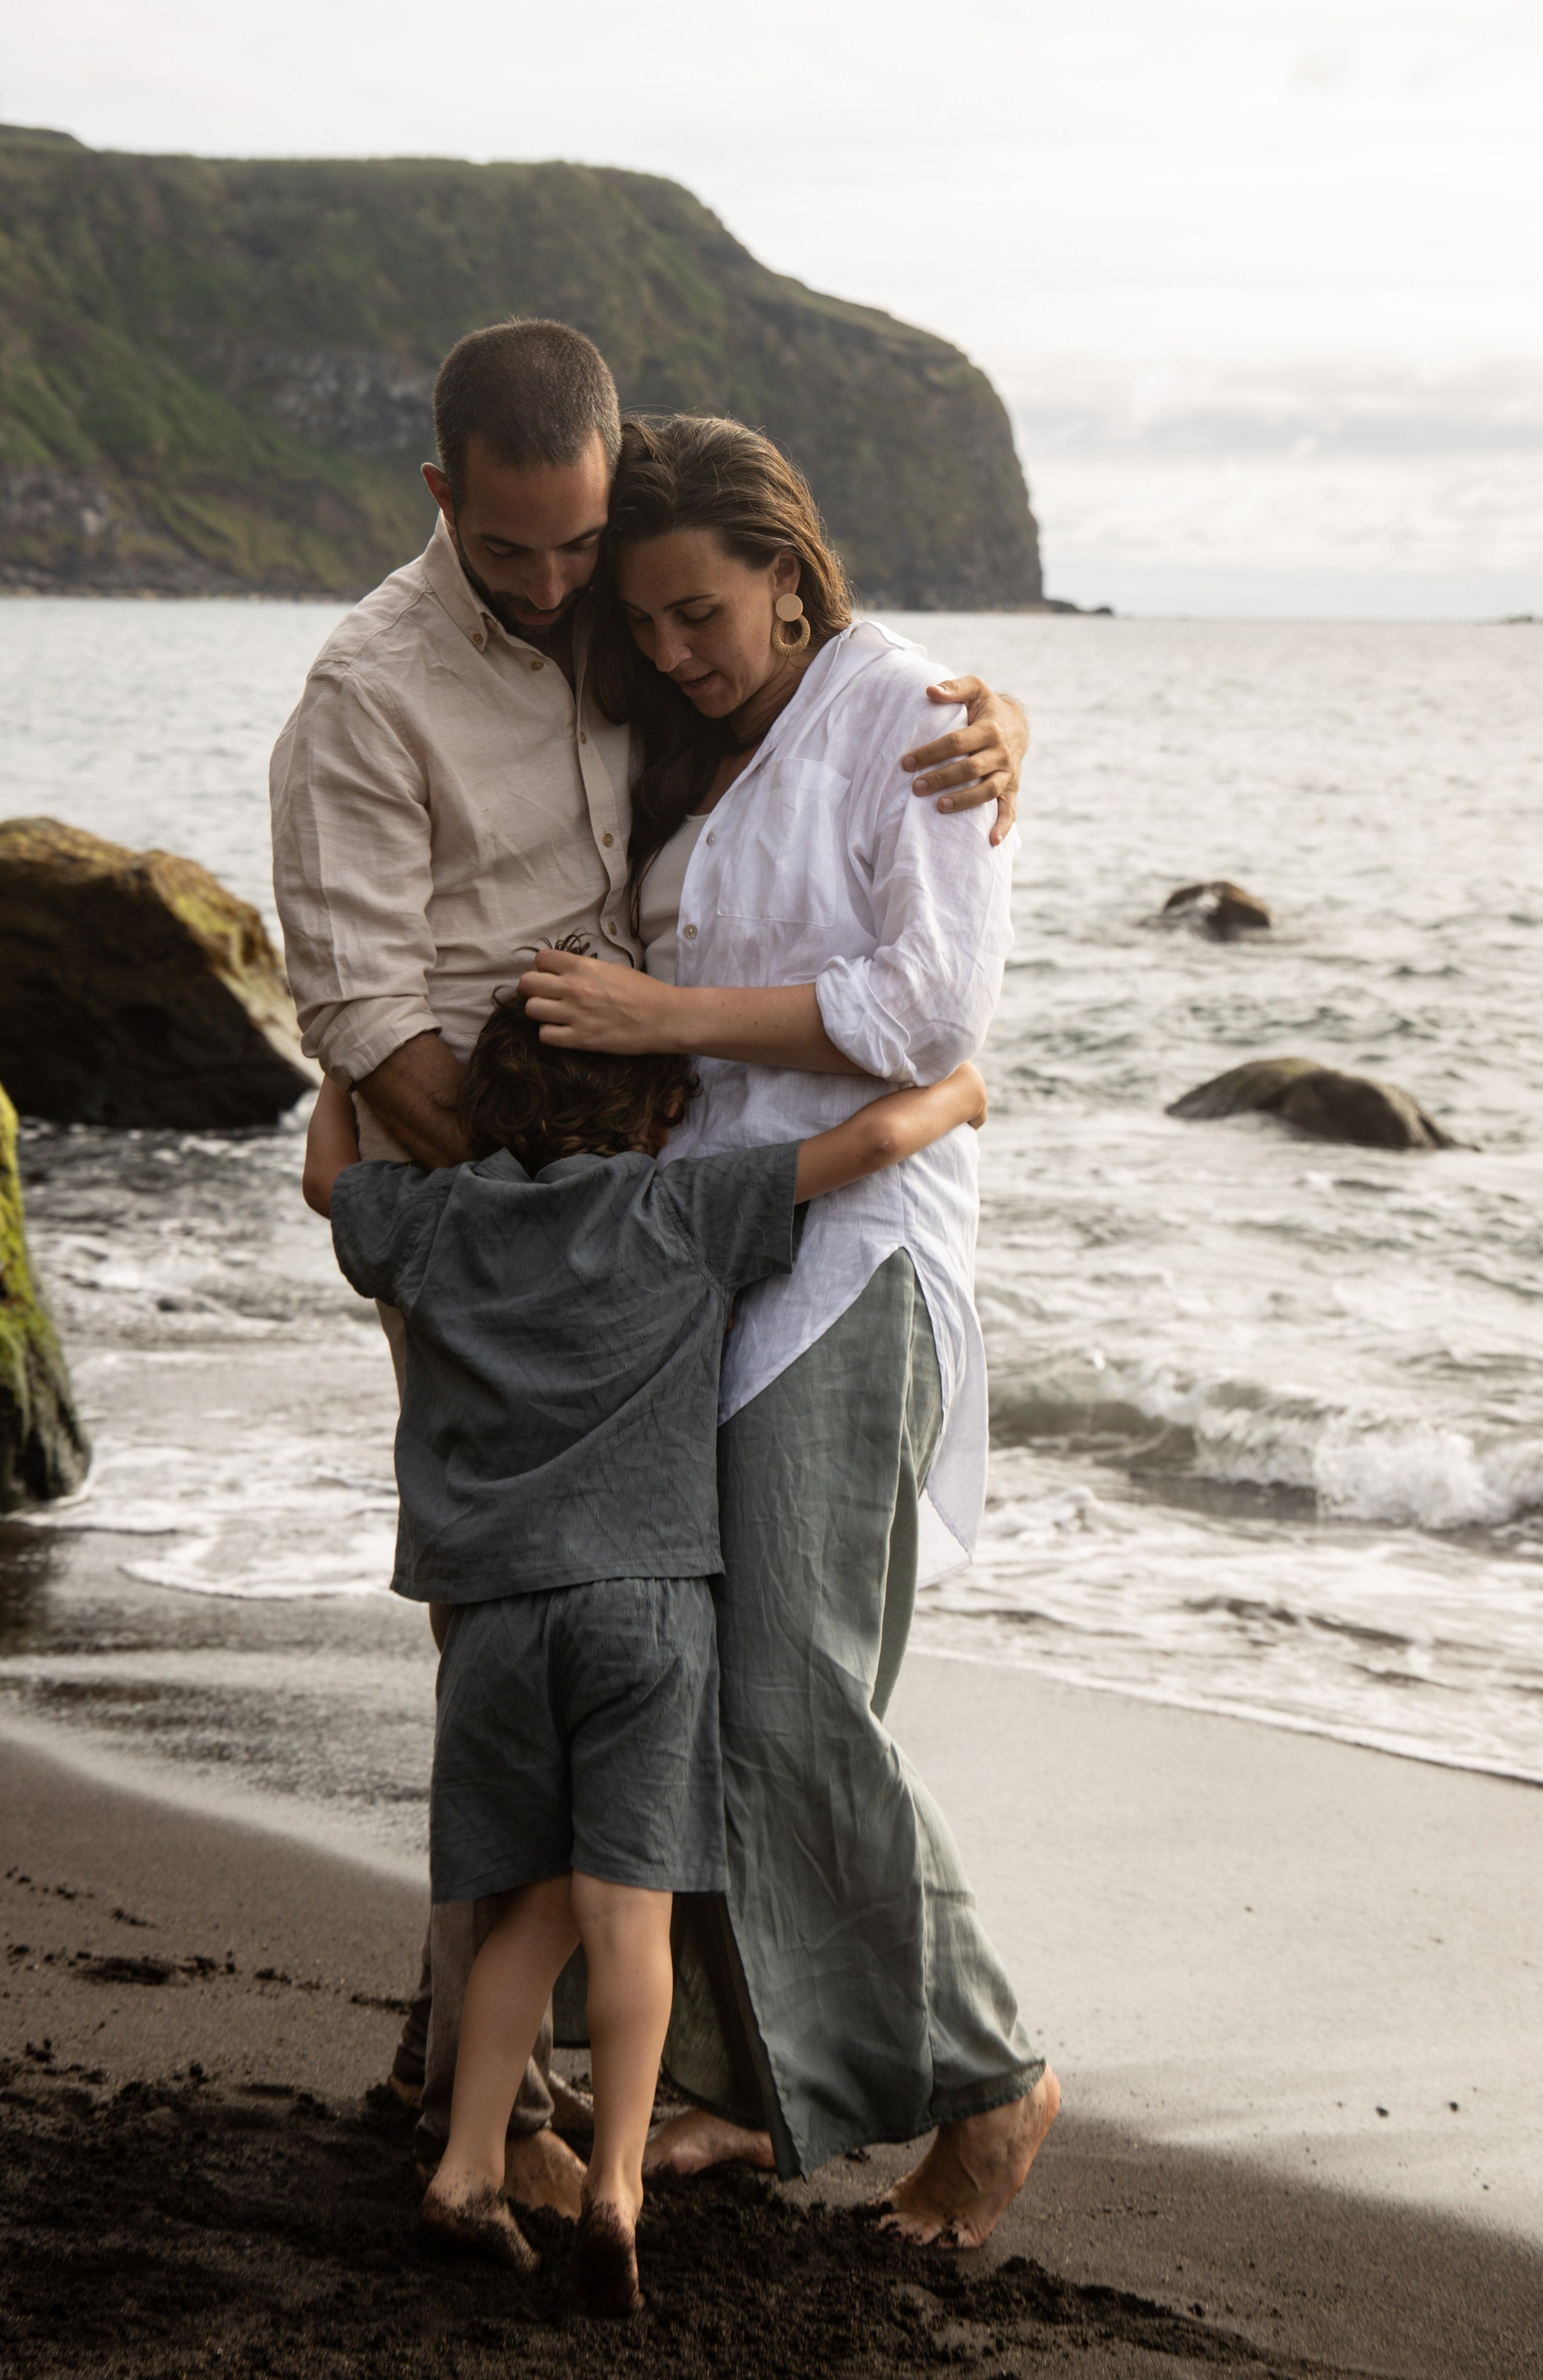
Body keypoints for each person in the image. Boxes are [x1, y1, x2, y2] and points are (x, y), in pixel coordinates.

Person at [268, 317, 1030, 2213]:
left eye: (591, 560)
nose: (564, 596)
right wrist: (548, 1229)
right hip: (580, 1247)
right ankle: (533, 2086)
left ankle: (930, 2080)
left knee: (725, 1683)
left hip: (752, 1249)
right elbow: (363, 1020)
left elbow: (921, 979)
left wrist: (996, 720)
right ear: (442, 498)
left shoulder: (762, 681)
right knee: (564, 1664)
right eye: (521, 557)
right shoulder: (390, 692)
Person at [513, 414, 1060, 2246]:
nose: (671, 649)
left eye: (701, 612)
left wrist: (664, 1024)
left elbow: (931, 1011)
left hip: (852, 1256)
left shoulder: (908, 711)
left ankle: (990, 2084)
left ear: (789, 577)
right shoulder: (708, 743)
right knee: (705, 1684)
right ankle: (759, 2088)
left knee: (789, 1692)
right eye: (643, 622)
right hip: (709, 1260)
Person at [301, 971, 990, 2312]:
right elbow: (866, 1143)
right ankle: (615, 2188)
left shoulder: (438, 1219)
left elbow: (329, 1180)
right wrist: (960, 1092)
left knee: (525, 1898)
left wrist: (340, 1062)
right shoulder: (680, 1210)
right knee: (627, 1913)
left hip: (494, 1622)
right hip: (644, 1615)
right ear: (667, 1115)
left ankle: (466, 2169)